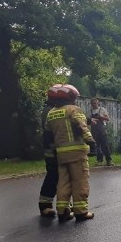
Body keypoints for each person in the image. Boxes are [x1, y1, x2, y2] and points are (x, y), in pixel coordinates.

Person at [44, 84, 96, 221]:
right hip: (77, 153)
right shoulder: (74, 110)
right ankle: (81, 212)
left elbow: (48, 134)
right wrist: (91, 142)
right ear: (70, 97)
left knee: (63, 183)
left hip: (61, 154)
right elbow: (81, 127)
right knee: (80, 182)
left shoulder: (51, 113)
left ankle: (62, 211)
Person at [38, 84, 63, 218]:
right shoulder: (50, 111)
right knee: (53, 176)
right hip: (52, 150)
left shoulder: (52, 109)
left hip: (55, 149)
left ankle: (63, 204)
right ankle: (45, 206)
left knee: (60, 176)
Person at [89, 98, 113, 166]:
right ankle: (99, 161)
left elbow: (107, 119)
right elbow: (88, 121)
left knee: (105, 145)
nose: (94, 105)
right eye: (92, 103)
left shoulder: (102, 109)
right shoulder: (90, 111)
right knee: (97, 145)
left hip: (102, 129)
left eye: (95, 103)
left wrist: (100, 117)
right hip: (94, 130)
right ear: (91, 104)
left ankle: (109, 160)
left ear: (98, 103)